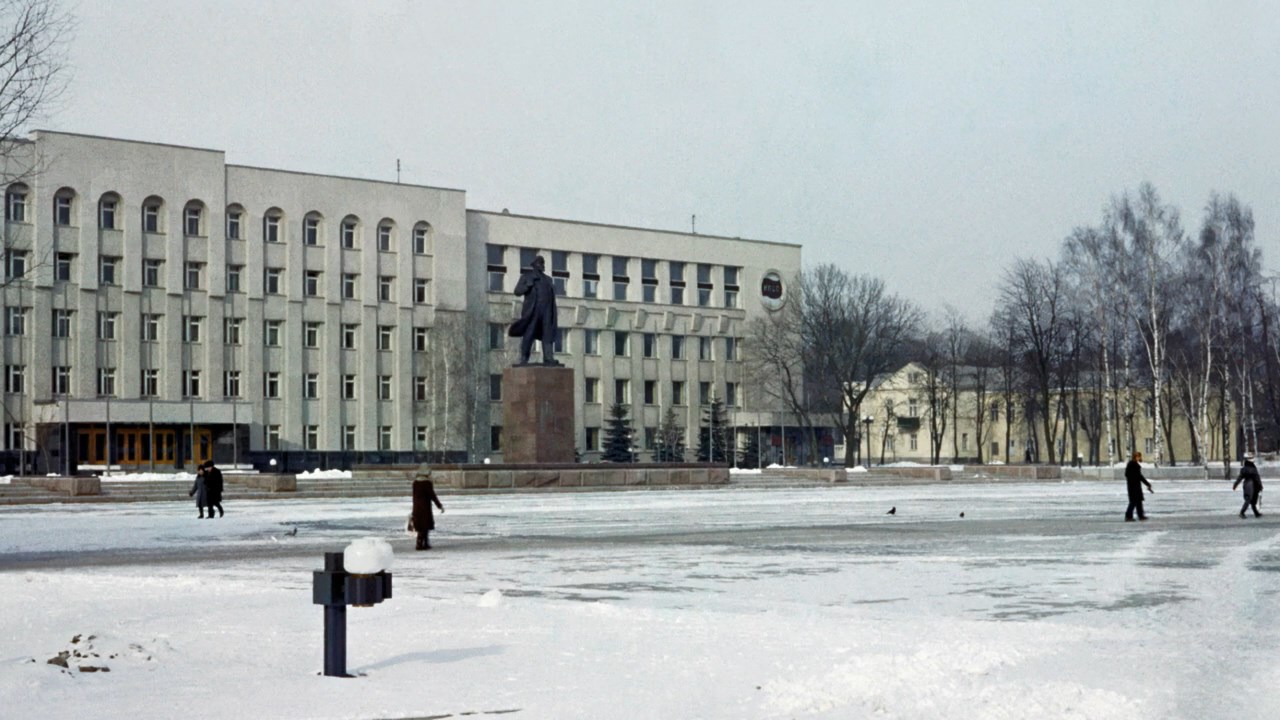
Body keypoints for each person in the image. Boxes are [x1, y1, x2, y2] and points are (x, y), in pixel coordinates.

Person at [507, 255, 560, 366]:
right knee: (529, 333)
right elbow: (517, 291)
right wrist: (528, 285)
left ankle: (548, 358)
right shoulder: (527, 277)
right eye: (540, 263)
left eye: (543, 263)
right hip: (533, 310)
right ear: (534, 265)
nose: (542, 265)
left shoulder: (548, 279)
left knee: (547, 334)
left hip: (547, 311)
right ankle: (524, 358)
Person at [411, 474, 445, 550]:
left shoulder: (415, 483)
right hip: (425, 507)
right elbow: (432, 496)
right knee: (425, 526)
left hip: (417, 507)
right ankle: (421, 544)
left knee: (420, 526)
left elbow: (414, 496)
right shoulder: (427, 483)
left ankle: (422, 543)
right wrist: (439, 506)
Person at [1124, 451, 1154, 521]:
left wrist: (1147, 484)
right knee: (1133, 501)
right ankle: (1128, 516)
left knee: (1138, 501)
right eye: (1138, 456)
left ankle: (1140, 515)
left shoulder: (1134, 464)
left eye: (1139, 456)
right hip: (1133, 486)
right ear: (1135, 457)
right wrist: (1147, 483)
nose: (1139, 458)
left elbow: (1139, 476)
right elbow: (1132, 475)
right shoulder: (1132, 464)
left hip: (1135, 486)